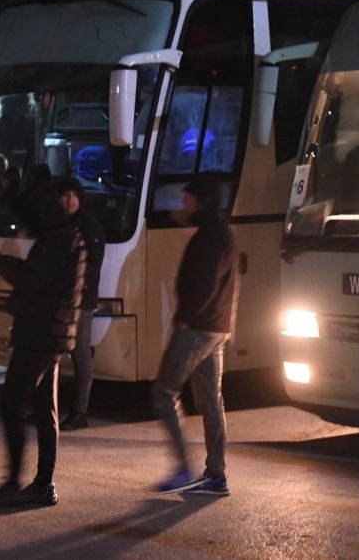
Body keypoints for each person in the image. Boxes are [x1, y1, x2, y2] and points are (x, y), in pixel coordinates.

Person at [0, 180, 86, 508]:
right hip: (50, 334)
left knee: (12, 402)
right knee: (44, 409)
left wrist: (2, 263)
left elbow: (31, 279)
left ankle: (15, 482)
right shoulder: (65, 237)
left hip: (40, 334)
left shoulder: (58, 240)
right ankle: (43, 483)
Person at [152, 173, 237, 496]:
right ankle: (216, 475)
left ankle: (183, 469)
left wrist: (185, 318)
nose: (183, 202)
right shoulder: (220, 232)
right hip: (216, 327)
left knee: (163, 391)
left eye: (188, 197)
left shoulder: (210, 236)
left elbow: (204, 283)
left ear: (201, 200)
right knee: (211, 401)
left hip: (198, 328)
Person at [55, 177, 106, 431]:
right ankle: (49, 408)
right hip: (60, 298)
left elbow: (92, 266)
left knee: (80, 354)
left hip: (81, 301)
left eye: (74, 195)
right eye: (65, 195)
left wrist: (78, 288)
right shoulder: (57, 224)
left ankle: (79, 412)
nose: (70, 200)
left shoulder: (90, 227)